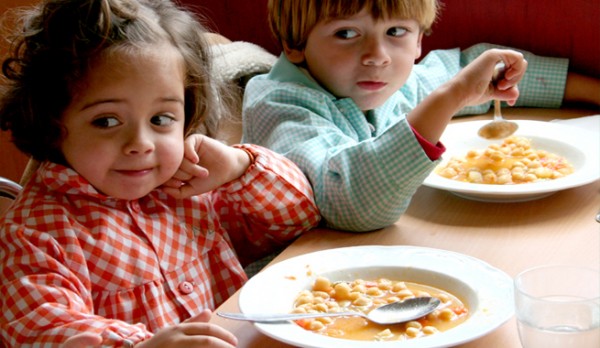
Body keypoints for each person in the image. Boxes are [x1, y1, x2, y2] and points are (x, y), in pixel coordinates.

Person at [0, 0, 320, 346]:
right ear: (51, 124)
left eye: (161, 119)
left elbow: (296, 222)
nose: (141, 144)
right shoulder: (33, 233)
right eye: (106, 121)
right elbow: (38, 327)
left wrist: (239, 167)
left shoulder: (190, 188)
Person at [242, 0, 600, 232]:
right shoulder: (279, 106)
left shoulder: (391, 82)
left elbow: (469, 69)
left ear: (418, 42)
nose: (377, 55)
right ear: (294, 44)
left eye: (396, 32)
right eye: (346, 33)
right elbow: (351, 203)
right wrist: (452, 97)